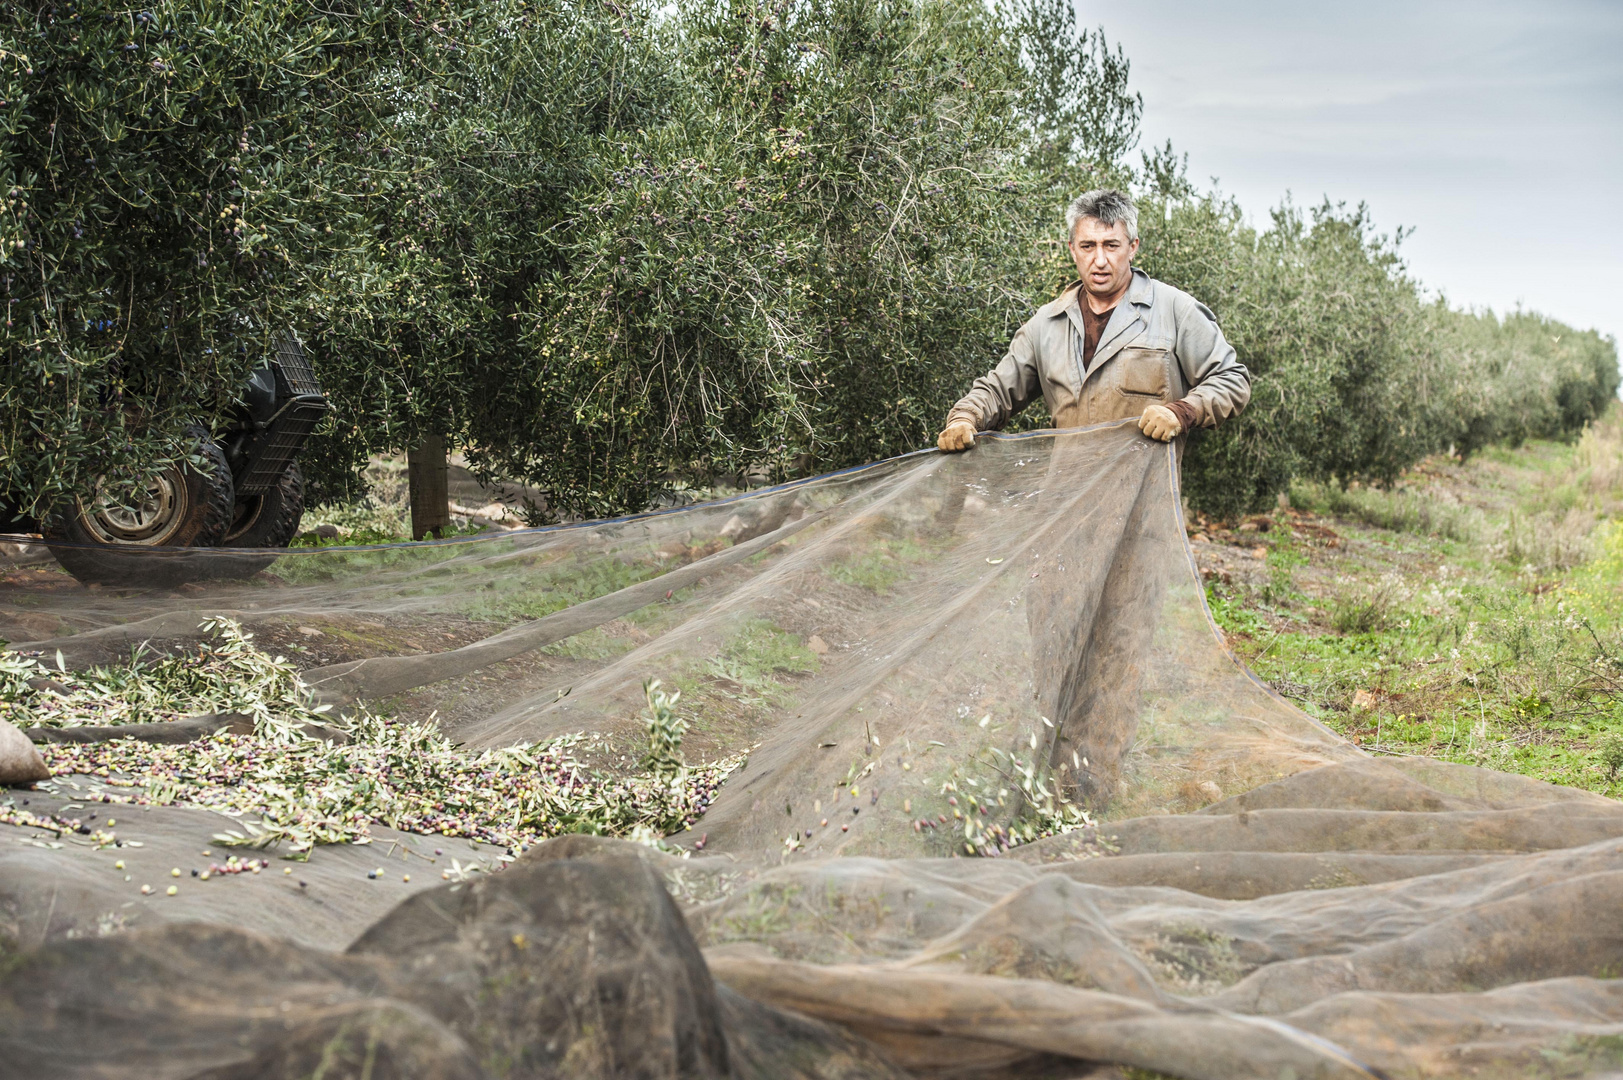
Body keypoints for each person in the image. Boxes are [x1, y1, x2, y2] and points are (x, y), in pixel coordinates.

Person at [937, 189, 1249, 450]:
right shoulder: (1045, 325)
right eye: (1088, 246)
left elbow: (1232, 381)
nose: (1099, 260)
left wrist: (1181, 412)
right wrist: (965, 418)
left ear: (1132, 247)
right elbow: (998, 390)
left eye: (1111, 245)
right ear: (1073, 250)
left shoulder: (1175, 310)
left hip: (1144, 505)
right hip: (1067, 503)